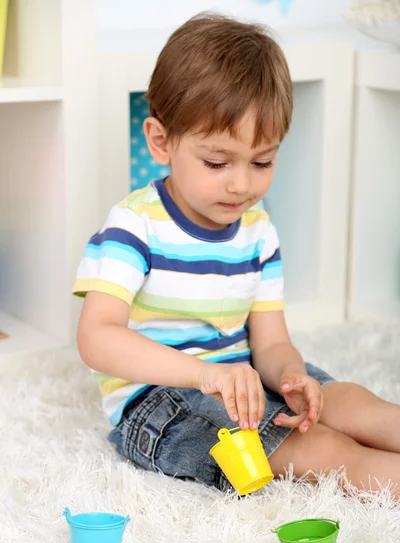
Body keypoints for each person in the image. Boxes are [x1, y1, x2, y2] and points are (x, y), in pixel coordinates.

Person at [73, 13, 400, 497]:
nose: (242, 184)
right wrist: (205, 374)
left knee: (348, 402)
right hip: (162, 399)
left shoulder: (258, 231)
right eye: (217, 162)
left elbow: (269, 343)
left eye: (262, 161)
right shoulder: (133, 227)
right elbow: (96, 338)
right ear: (162, 142)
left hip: (244, 377)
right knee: (318, 450)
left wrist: (288, 375)